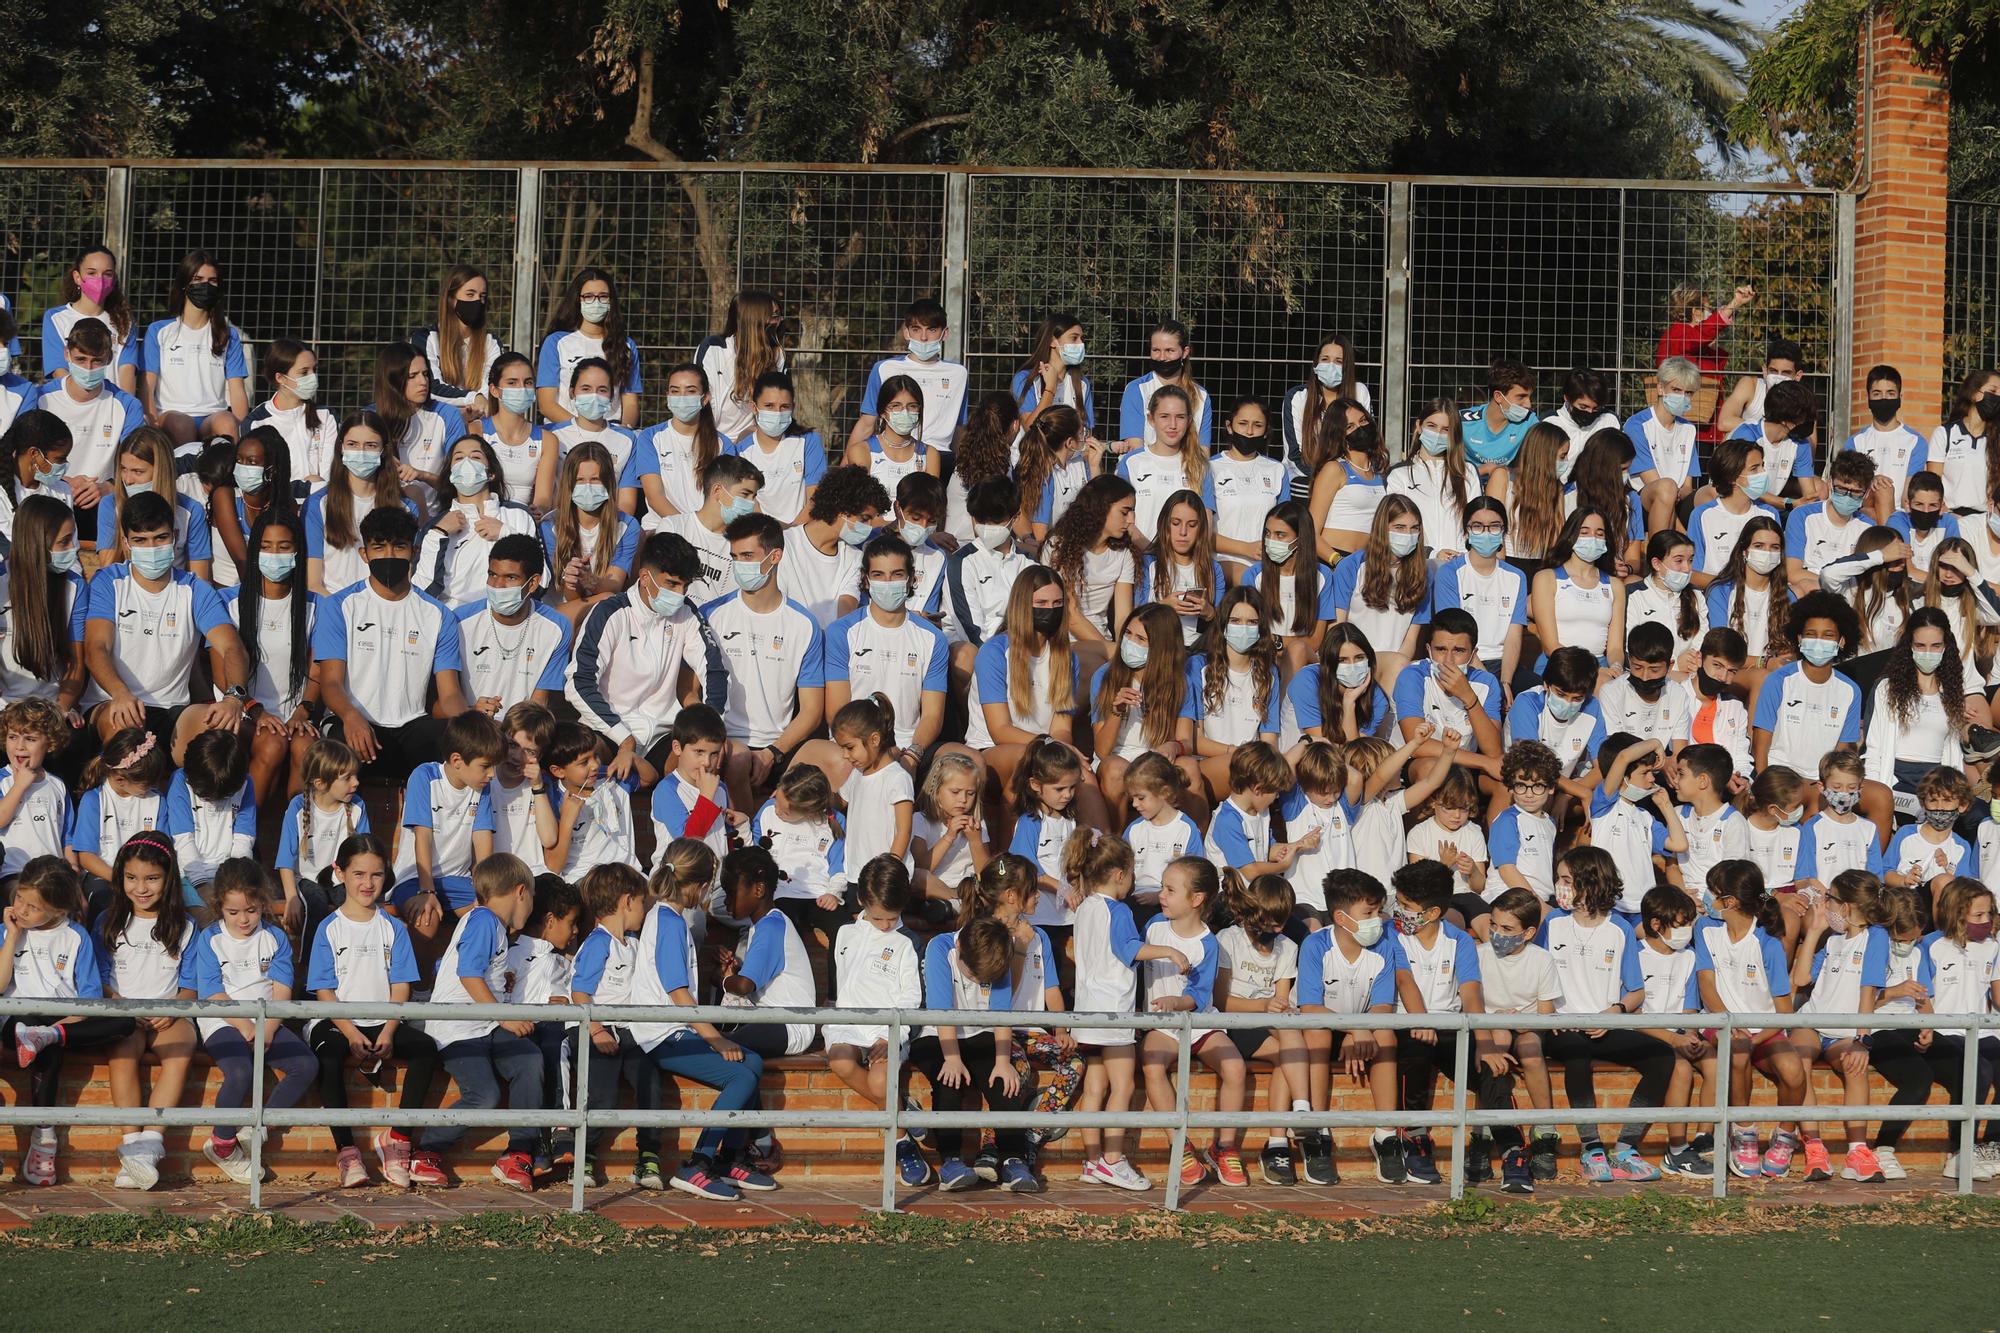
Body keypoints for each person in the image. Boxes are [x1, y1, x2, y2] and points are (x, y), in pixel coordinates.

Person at [627, 843, 776, 1201]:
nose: (712, 891)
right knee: (741, 1073)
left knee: (753, 1061)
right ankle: (698, 1162)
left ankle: (729, 1158)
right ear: (695, 885)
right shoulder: (666, 921)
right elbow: (679, 995)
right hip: (661, 1035)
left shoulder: (671, 919)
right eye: (710, 882)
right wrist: (716, 1040)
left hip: (673, 1030)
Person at [306, 831, 437, 1189]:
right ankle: (347, 1152)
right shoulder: (328, 928)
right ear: (340, 873)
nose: (368, 883)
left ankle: (398, 1138)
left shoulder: (393, 928)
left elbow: (401, 987)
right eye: (359, 874)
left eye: (376, 875)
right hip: (337, 1022)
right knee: (330, 1055)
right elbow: (323, 990)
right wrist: (350, 1033)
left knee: (425, 1049)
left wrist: (389, 1032)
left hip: (383, 1021)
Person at [1536, 845, 1672, 1182]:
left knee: (1662, 1056)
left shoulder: (1620, 929)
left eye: (1566, 879)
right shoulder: (1552, 922)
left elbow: (1636, 990)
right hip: (1561, 1029)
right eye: (1559, 878)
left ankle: (1625, 1147)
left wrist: (1616, 1010)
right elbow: (1534, 973)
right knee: (1577, 1053)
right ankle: (1591, 1147)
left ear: (1589, 882)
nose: (1559, 885)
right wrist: (1550, 1012)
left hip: (1606, 1026)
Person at [0, 855, 135, 1186]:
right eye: (20, 898)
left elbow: (88, 1001)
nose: (22, 909)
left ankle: (50, 1035)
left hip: (65, 1019)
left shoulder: (75, 936)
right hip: (16, 1020)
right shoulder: (8, 930)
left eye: (33, 907)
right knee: (33, 1028)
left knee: (125, 1023)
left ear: (58, 910)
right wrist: (11, 938)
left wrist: (59, 1027)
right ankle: (45, 1137)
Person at [85, 492, 252, 759]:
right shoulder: (108, 582)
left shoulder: (195, 588)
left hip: (174, 710)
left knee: (222, 736)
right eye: (141, 540)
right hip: (112, 703)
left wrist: (233, 698)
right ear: (126, 543)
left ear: (174, 536)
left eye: (160, 538)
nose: (151, 548)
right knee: (128, 735)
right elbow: (96, 648)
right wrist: (120, 693)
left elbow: (232, 648)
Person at [311, 504, 468, 784]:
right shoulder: (338, 606)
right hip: (353, 721)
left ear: (414, 552)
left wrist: (470, 726)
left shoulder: (439, 615)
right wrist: (350, 716)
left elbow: (449, 694)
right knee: (339, 750)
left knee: (462, 745)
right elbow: (331, 683)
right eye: (379, 547)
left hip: (413, 726)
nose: (389, 555)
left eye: (399, 547)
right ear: (364, 554)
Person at [413, 852, 543, 1189]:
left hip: (485, 1025)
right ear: (520, 892)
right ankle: (427, 1149)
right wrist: (505, 1016)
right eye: (532, 899)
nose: (531, 910)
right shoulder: (484, 919)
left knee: (529, 1058)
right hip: (457, 1030)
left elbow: (479, 973)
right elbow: (468, 974)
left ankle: (519, 1153)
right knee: (484, 1095)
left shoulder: (492, 925)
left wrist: (502, 987)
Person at [190, 859, 316, 1186]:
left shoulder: (274, 937)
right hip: (222, 1020)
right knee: (241, 1070)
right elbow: (212, 993)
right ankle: (221, 1142)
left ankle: (256, 1130)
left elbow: (282, 990)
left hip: (267, 1020)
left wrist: (267, 1028)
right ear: (219, 906)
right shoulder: (210, 939)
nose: (243, 920)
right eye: (233, 913)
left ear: (262, 902)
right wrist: (245, 1026)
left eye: (251, 910)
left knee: (305, 1064)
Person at [566, 531, 727, 788]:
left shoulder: (687, 613)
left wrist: (713, 725)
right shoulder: (610, 612)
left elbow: (714, 671)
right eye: (672, 584)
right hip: (609, 729)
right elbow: (579, 682)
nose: (680, 593)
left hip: (664, 735)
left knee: (702, 762)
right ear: (644, 577)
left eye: (685, 586)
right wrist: (624, 739)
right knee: (577, 759)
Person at [1692, 859, 1818, 1180]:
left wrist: (1755, 1036)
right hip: (1719, 1023)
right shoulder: (1705, 929)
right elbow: (1707, 984)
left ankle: (1784, 1138)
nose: (1707, 898)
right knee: (1738, 1050)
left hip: (1764, 1031)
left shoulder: (1768, 944)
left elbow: (1783, 1013)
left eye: (1712, 892)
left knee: (1793, 1070)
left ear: (1730, 901)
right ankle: (1743, 1132)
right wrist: (1730, 1024)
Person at [1387, 859, 1503, 1188]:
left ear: (1433, 912)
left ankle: (1511, 1149)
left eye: (1406, 906)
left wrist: (1485, 1043)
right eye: (1399, 902)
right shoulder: (1389, 935)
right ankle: (1415, 1137)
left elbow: (1471, 993)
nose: (1399, 911)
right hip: (1408, 1025)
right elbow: (1404, 980)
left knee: (1494, 1070)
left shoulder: (1460, 941)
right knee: (1415, 1053)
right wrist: (1421, 1020)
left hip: (1451, 1028)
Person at [97, 831, 196, 1190]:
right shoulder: (108, 922)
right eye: (132, 878)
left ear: (169, 879)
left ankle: (151, 1142)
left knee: (181, 1048)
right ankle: (130, 1144)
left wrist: (174, 1008)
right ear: (120, 877)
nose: (141, 887)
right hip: (124, 1012)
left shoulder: (185, 926)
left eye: (152, 878)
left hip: (169, 1012)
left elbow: (191, 983)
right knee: (122, 1053)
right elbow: (98, 976)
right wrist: (118, 1003)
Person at [1296, 868, 1405, 1185]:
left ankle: (1386, 1135)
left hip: (1365, 1027)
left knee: (1385, 1033)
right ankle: (1318, 1132)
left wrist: (1361, 1030)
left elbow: (1383, 1005)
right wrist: (1351, 1030)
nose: (1378, 919)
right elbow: (1309, 1007)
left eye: (1378, 910)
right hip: (1326, 1027)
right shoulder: (1315, 945)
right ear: (1341, 918)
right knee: (1316, 1031)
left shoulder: (1384, 945)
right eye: (1369, 913)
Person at [1140, 856, 1242, 1186]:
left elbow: (1199, 994)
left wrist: (1177, 1001)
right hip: (1162, 1026)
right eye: (1162, 888)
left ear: (1196, 899)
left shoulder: (1207, 943)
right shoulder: (1154, 925)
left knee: (1235, 1067)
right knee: (1152, 1065)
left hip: (1199, 1022)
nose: (1162, 895)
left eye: (1170, 890)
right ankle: (1179, 1145)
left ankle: (1224, 1147)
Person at [823, 855, 925, 1184]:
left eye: (891, 918)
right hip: (847, 1023)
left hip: (888, 1027)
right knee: (839, 1062)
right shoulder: (844, 934)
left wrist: (887, 1035)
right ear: (863, 901)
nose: (885, 924)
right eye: (879, 917)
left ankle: (900, 1141)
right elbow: (838, 985)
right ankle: (902, 1118)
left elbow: (910, 997)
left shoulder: (909, 942)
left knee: (881, 1081)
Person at [1786, 869, 1889, 1183]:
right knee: (1800, 1055)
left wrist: (1862, 1039)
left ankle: (1858, 1150)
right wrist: (1815, 932)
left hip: (1846, 1032)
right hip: (1815, 1021)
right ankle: (1814, 1147)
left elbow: (1868, 990)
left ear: (1847, 907)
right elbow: (1801, 979)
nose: (1824, 903)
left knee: (1855, 1065)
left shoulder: (1876, 937)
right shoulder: (1831, 940)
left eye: (1829, 897)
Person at [566, 862, 664, 1186]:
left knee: (650, 1084)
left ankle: (648, 1157)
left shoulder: (633, 943)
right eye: (641, 902)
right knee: (601, 1097)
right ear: (626, 902)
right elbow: (580, 992)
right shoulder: (598, 942)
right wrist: (596, 1030)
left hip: (628, 1031)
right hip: (594, 1030)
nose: (644, 910)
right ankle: (584, 1157)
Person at [1213, 873, 1308, 1185]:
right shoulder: (1228, 940)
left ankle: (1301, 1113)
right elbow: (1222, 1001)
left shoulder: (1288, 946)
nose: (1277, 930)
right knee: (1288, 1054)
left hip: (1269, 1020)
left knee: (1291, 1035)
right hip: (1235, 1023)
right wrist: (1265, 1006)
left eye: (1281, 923)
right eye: (1270, 923)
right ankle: (1283, 1134)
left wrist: (1280, 1006)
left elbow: (1281, 998)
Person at [1472, 888, 1561, 1191]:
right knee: (1494, 1040)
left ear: (1529, 932)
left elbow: (1545, 1015)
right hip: (1490, 1025)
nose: (1497, 933)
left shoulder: (1542, 960)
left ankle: (1545, 1131)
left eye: (1507, 929)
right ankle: (1481, 1134)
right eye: (1493, 925)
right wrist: (1499, 1018)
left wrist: (1517, 1021)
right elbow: (1469, 1006)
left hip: (1527, 1028)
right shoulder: (1478, 955)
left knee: (1532, 1049)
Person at [1090, 603, 1200, 820]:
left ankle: (1198, 841)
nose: (1130, 643)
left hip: (1156, 758)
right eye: (1128, 634)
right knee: (1114, 769)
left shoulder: (1180, 682)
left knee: (1189, 766)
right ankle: (1115, 844)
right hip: (1118, 757)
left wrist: (1173, 746)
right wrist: (1116, 712)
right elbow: (1102, 751)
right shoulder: (1104, 676)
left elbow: (1186, 741)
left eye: (1141, 639)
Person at [33, 320, 143, 533]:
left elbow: (136, 464)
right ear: (67, 354)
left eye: (96, 361)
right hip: (48, 496)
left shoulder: (128, 406)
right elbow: (27, 458)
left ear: (109, 359)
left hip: (103, 500)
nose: (88, 368)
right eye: (80, 359)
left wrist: (107, 487)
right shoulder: (41, 399)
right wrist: (64, 482)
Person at [454, 534, 573, 720]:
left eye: (510, 577)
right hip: (470, 728)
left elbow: (539, 702)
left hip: (521, 733)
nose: (498, 586)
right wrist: (470, 713)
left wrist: (512, 732)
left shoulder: (557, 628)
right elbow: (441, 703)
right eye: (492, 575)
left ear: (533, 583)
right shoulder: (459, 621)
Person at [140, 250, 247, 446]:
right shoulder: (159, 331)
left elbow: (238, 390)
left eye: (212, 280)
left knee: (227, 423)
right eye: (198, 279)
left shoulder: (228, 335)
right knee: (182, 425)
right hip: (172, 415)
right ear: (184, 283)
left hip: (212, 416)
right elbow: (147, 386)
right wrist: (152, 428)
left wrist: (239, 428)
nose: (205, 286)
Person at [305, 410, 418, 595]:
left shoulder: (405, 508)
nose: (361, 452)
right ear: (341, 447)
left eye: (371, 445)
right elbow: (313, 583)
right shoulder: (317, 505)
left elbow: (406, 578)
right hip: (332, 610)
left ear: (383, 451)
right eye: (353, 444)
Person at [1330, 496, 1431, 685]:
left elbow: (1410, 640)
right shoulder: (1351, 566)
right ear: (1382, 528)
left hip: (1395, 666)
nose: (1408, 534)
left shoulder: (1423, 575)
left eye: (1414, 528)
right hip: (1353, 662)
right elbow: (1337, 627)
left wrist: (1396, 668)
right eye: (1399, 527)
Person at [851, 299, 968, 461]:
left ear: (945, 333)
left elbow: (959, 429)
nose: (924, 337)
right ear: (906, 332)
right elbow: (866, 423)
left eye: (932, 329)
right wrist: (843, 469)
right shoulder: (884, 368)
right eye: (916, 329)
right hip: (894, 454)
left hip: (942, 457)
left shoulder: (959, 374)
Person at [96, 427, 214, 579]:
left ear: (161, 471)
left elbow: (200, 578)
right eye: (124, 469)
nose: (128, 480)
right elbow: (108, 572)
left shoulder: (191, 511)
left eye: (138, 472)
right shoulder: (110, 505)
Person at [776, 466, 887, 626]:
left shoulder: (855, 557)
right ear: (842, 509)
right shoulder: (783, 543)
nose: (869, 526)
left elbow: (846, 608)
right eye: (864, 518)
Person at [1433, 497, 1527, 686]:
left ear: (1503, 531)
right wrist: (1492, 684)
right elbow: (1455, 636)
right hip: (1462, 662)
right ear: (1467, 531)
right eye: (1477, 526)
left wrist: (1506, 682)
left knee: (1531, 690)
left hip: (1504, 665)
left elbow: (1513, 636)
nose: (1485, 533)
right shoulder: (1449, 573)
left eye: (1494, 526)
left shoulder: (1516, 577)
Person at [69, 727, 171, 893]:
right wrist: (123, 880)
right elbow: (86, 857)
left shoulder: (157, 800)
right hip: (104, 877)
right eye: (147, 784)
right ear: (120, 779)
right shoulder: (94, 800)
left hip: (146, 878)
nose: (153, 787)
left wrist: (141, 881)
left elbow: (162, 849)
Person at [537, 268, 641, 426]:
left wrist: (623, 432)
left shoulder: (626, 345)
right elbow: (546, 404)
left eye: (603, 296)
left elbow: (631, 404)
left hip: (610, 434)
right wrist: (583, 430)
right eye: (589, 296)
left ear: (611, 301)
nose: (596, 302)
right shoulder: (556, 342)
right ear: (578, 300)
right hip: (564, 432)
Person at [1247, 498, 1337, 675]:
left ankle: (1288, 702)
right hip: (1264, 656)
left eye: (1280, 535)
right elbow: (1249, 634)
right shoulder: (1254, 575)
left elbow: (1315, 640)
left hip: (1304, 660)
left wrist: (1277, 641)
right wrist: (1275, 647)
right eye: (1267, 533)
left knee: (1297, 651)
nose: (1271, 540)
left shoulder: (1322, 576)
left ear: (1300, 538)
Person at [369, 343, 467, 504]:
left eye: (425, 374)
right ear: (392, 380)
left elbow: (459, 484)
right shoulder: (371, 418)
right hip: (384, 511)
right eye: (412, 376)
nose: (423, 382)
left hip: (436, 515)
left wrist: (423, 475)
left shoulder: (448, 415)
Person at [1116, 384, 1213, 545]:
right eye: (1164, 416)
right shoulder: (1132, 462)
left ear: (1189, 420)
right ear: (1151, 419)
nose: (1172, 424)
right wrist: (1151, 554)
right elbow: (1122, 517)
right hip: (1140, 560)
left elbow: (1206, 522)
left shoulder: (1200, 465)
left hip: (1182, 565)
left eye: (1180, 417)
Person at [725, 371, 824, 525]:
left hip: (802, 532)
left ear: (793, 407)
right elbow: (749, 501)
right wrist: (775, 531)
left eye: (784, 406)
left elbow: (815, 498)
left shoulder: (809, 441)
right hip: (760, 532)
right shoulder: (741, 451)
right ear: (754, 407)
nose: (777, 413)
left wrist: (794, 531)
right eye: (769, 406)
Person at [40, 246, 139, 392]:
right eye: (92, 273)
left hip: (112, 405)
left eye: (107, 274)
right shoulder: (55, 318)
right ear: (77, 277)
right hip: (71, 405)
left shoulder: (125, 321)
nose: (100, 279)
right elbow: (58, 371)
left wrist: (125, 408)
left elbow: (127, 371)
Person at [1283, 334, 1373, 493]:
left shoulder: (1359, 392)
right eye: (1325, 359)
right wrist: (1327, 478)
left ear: (1347, 367)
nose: (1331, 366)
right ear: (1315, 364)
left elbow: (1365, 442)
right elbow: (1294, 456)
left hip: (1350, 477)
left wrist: (1344, 477)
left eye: (1338, 361)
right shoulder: (1297, 397)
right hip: (1306, 478)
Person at [412, 263, 504, 418]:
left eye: (482, 296)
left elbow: (491, 387)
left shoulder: (491, 342)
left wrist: (478, 406)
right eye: (470, 294)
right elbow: (431, 387)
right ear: (450, 299)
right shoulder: (426, 338)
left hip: (479, 421)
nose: (478, 301)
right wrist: (474, 398)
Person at [245, 339, 337, 492]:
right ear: (280, 378)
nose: (313, 377)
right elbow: (260, 483)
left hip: (321, 504)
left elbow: (331, 474)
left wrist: (315, 489)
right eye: (304, 372)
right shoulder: (256, 423)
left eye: (314, 370)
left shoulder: (326, 416)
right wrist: (305, 487)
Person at [1390, 400, 1480, 557]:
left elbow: (1475, 522)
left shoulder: (1468, 472)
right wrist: (1431, 554)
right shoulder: (1400, 474)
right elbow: (1394, 528)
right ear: (1419, 426)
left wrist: (1464, 554)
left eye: (1446, 429)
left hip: (1458, 564)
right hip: (1417, 565)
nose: (1438, 434)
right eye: (1431, 426)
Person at [549, 359, 642, 508]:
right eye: (586, 389)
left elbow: (626, 503)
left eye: (602, 390)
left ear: (612, 396)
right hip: (560, 521)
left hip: (609, 524)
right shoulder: (552, 436)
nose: (594, 396)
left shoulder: (628, 440)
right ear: (572, 392)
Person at [1629, 356, 1705, 537]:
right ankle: (1659, 554)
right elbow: (1652, 482)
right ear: (1660, 388)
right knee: (1666, 488)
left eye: (1688, 393)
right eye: (1676, 390)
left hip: (1678, 497)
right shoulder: (1637, 425)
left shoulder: (1688, 429)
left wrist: (1679, 495)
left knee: (1712, 493)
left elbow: (1688, 485)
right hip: (1645, 499)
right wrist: (1681, 530)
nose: (1683, 397)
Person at [696, 290, 785, 444]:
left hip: (752, 440)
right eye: (774, 316)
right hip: (711, 439)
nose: (779, 321)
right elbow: (700, 402)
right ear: (754, 319)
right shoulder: (713, 348)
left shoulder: (777, 355)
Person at [1687, 439, 1780, 585]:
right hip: (1714, 596)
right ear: (1732, 477)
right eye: (1754, 468)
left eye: (1763, 466)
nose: (1763, 473)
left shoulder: (1770, 514)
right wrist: (1730, 586)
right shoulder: (1702, 515)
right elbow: (1693, 573)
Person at [1140, 487, 1224, 646]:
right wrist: (1162, 607)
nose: (1183, 532)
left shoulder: (1214, 569)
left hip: (1199, 651)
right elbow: (1132, 617)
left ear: (1201, 529)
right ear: (1164, 524)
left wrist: (1210, 612)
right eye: (1175, 523)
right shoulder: (1148, 563)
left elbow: (1223, 623)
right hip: (1155, 647)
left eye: (1192, 525)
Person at [1118, 318, 1211, 455]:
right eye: (1156, 350)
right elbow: (1134, 450)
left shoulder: (1201, 396)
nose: (1162, 357)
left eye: (1169, 350)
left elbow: (1203, 452)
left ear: (1185, 352)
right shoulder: (1136, 390)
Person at [1786, 451, 1876, 588]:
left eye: (1856, 492)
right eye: (1841, 489)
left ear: (1867, 493)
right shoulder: (1802, 516)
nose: (1847, 496)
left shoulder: (1868, 528)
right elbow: (1793, 573)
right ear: (1830, 484)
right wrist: (1833, 584)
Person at [1309, 412, 1389, 563]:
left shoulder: (1380, 473)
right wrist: (1337, 561)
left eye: (1363, 421)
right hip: (1333, 560)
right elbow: (1310, 531)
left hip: (1367, 563)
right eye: (1350, 426)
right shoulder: (1334, 469)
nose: (1360, 428)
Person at [481, 351, 556, 509]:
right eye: (512, 382)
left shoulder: (548, 440)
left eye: (528, 382)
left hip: (523, 520)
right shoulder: (477, 431)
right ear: (494, 390)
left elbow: (543, 500)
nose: (521, 388)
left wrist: (536, 512)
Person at [845, 372, 937, 494]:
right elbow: (862, 503)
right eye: (896, 406)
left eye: (912, 406)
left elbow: (930, 504)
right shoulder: (861, 451)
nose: (905, 412)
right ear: (882, 412)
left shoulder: (930, 454)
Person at [1927, 367, 2000, 516]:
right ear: (1974, 393)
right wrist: (1948, 515)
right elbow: (1933, 484)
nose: (1997, 398)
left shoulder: (1997, 440)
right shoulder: (1944, 434)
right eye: (1993, 392)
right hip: (1949, 517)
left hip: (1983, 521)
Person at [1011, 311, 1095, 436]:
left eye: (1082, 339)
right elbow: (1031, 429)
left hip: (1072, 456)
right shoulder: (1025, 380)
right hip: (1033, 455)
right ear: (1052, 341)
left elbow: (1086, 435)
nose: (1081, 344)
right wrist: (1050, 388)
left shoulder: (1082, 383)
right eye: (1074, 338)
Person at [1458, 360, 1538, 476]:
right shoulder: (1463, 421)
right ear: (1498, 396)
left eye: (1530, 397)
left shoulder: (1530, 422)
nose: (1528, 404)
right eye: (1521, 397)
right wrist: (1482, 470)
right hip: (1466, 485)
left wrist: (1500, 473)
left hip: (1507, 487)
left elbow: (1540, 465)